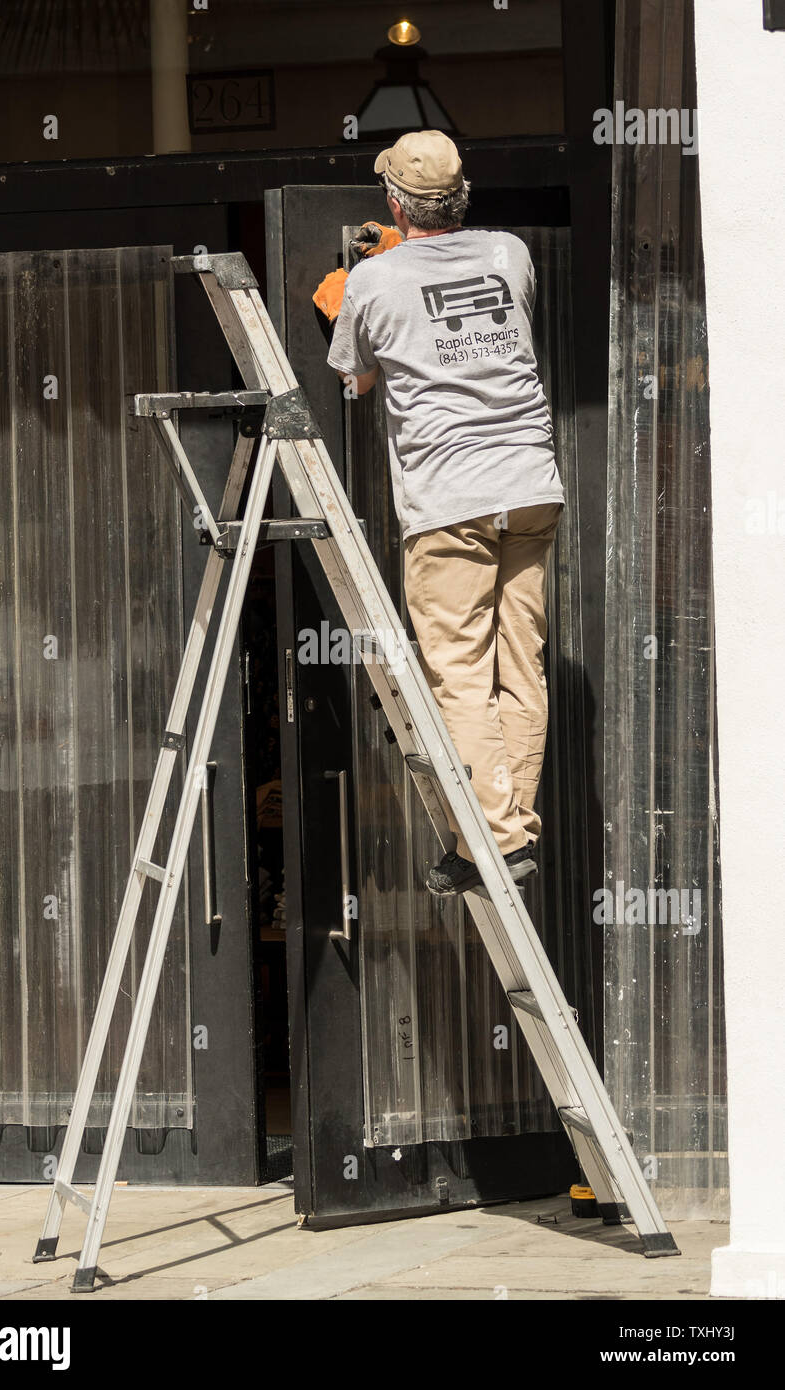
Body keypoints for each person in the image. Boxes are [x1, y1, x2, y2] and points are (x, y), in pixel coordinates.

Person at [320, 129, 565, 895]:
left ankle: (490, 838)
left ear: (393, 200)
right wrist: (398, 260)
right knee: (519, 663)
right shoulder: (510, 254)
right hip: (529, 484)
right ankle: (509, 832)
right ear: (462, 195)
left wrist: (343, 296)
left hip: (450, 499)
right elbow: (463, 309)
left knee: (458, 672)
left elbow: (356, 383)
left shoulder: (372, 284)